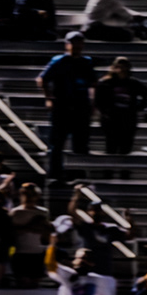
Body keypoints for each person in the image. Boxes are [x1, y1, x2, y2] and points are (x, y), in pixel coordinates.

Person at [35, 32, 95, 184]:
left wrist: (92, 103)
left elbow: (93, 84)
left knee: (81, 143)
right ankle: (55, 174)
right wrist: (49, 98)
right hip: (62, 106)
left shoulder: (86, 62)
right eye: (73, 42)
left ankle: (79, 175)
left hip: (81, 106)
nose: (76, 46)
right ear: (67, 44)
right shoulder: (59, 61)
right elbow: (42, 79)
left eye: (79, 42)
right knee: (57, 142)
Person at [50, 246, 114, 295]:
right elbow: (50, 265)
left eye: (86, 259)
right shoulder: (67, 275)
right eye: (80, 258)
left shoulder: (97, 280)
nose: (82, 261)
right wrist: (52, 245)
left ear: (92, 263)